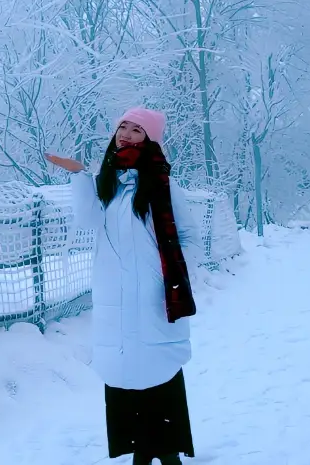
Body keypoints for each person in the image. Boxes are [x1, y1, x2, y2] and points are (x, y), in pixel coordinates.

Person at [46, 107, 200, 465]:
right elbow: (87, 221)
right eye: (123, 127)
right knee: (122, 372)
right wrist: (80, 176)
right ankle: (140, 450)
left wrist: (170, 276)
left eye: (137, 130)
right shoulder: (107, 183)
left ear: (150, 140)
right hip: (113, 297)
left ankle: (167, 449)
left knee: (159, 369)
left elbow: (190, 236)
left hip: (154, 296)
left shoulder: (163, 184)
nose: (126, 134)